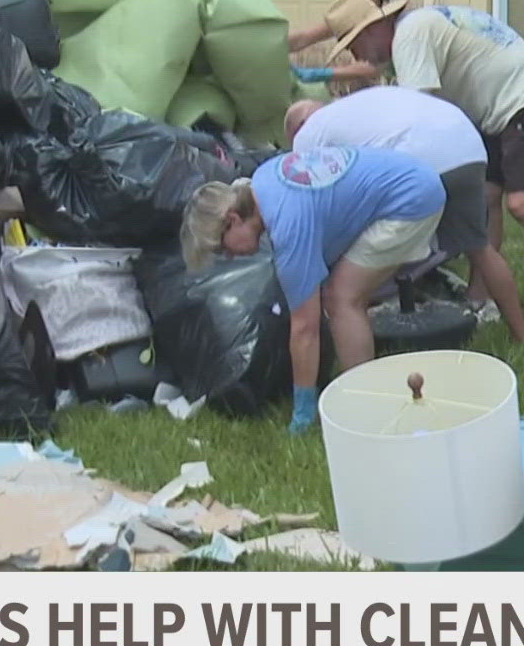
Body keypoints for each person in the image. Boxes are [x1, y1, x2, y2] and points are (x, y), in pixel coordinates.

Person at [322, 0, 524, 335]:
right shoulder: (415, 26)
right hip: (497, 105)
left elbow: (418, 118)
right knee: (485, 199)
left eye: (355, 45)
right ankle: (479, 298)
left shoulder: (409, 37)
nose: (358, 56)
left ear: (373, 29)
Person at [183, 145, 445, 434]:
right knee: (340, 294)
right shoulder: (263, 181)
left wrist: (302, 411)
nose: (229, 257)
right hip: (415, 177)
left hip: (410, 201)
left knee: (342, 299)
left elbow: (304, 329)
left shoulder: (287, 225)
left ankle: (366, 405)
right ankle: (360, 388)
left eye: (223, 248)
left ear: (233, 220)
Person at [285, 87, 524, 346]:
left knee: (376, 238)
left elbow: (321, 209)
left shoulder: (308, 136)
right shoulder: (356, 108)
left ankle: (369, 311)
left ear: (296, 130)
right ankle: (523, 338)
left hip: (419, 159)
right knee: (480, 248)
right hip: (467, 146)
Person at [286, 0, 390, 88]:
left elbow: (377, 67)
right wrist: (269, 45)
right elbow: (303, 38)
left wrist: (322, 74)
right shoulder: (349, 16)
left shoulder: (392, 17)